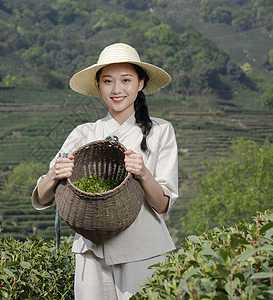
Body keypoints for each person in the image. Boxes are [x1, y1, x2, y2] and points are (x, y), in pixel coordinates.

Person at [31, 43, 179, 299]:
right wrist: (54, 174)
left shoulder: (160, 131)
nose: (117, 89)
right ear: (99, 86)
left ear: (140, 83)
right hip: (91, 252)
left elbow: (163, 204)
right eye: (108, 81)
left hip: (144, 250)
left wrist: (143, 174)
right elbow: (42, 198)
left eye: (126, 80)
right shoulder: (83, 134)